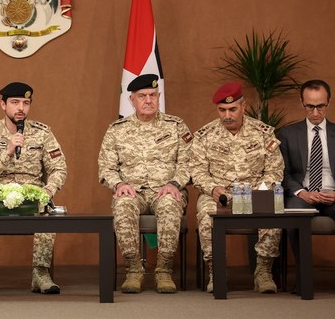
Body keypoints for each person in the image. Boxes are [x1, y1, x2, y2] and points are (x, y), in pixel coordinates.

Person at [0, 82, 67, 295]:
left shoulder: (43, 132)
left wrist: (48, 191)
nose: (21, 108)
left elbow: (59, 168)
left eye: (26, 103)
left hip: (33, 190)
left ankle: (41, 274)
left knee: (46, 211)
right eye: (15, 102)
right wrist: (9, 151)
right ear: (3, 105)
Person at [98, 74, 191, 294]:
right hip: (134, 192)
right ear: (132, 100)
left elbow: (188, 162)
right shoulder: (117, 130)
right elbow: (106, 168)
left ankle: (164, 270)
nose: (148, 100)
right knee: (122, 203)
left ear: (159, 96)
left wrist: (175, 183)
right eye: (142, 96)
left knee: (169, 203)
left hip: (167, 190)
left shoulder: (176, 126)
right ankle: (133, 270)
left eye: (152, 95)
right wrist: (119, 183)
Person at [191, 81, 284, 293]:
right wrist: (213, 188)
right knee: (206, 213)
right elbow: (197, 171)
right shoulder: (205, 136)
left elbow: (275, 170)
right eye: (222, 110)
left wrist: (261, 191)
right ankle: (217, 272)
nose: (227, 115)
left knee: (271, 208)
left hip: (254, 191)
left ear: (244, 106)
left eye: (232, 109)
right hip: (219, 194)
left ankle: (263, 271)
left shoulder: (263, 133)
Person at [279, 79, 335, 214]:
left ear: (329, 101)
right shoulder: (287, 134)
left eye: (320, 106)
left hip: (333, 195)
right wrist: (302, 193)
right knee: (294, 214)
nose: (315, 113)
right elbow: (283, 172)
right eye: (310, 106)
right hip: (302, 196)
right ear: (302, 102)